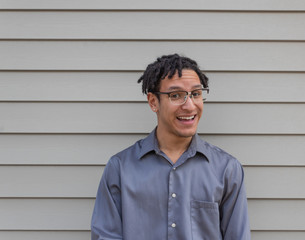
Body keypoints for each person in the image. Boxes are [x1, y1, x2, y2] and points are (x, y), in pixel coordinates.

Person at [91, 54, 251, 239]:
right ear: (153, 102)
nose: (190, 106)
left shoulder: (227, 170)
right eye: (176, 95)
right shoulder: (120, 168)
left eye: (196, 94)